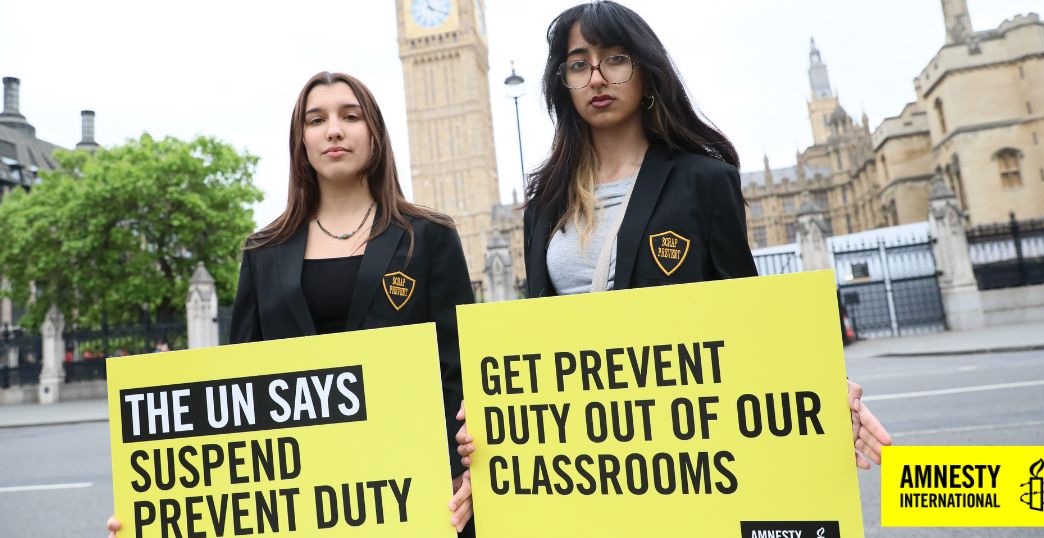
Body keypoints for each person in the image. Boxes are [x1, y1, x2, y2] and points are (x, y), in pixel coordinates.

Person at [455, 0, 890, 474]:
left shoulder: (703, 181)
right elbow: (537, 336)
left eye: (615, 59)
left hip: (681, 451)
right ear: (564, 84)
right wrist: (495, 418)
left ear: (647, 72)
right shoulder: (544, 204)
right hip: (583, 454)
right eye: (579, 64)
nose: (597, 77)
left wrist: (821, 383)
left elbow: (746, 309)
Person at [107, 72, 476, 537]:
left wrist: (468, 471)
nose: (334, 130)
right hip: (301, 501)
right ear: (300, 141)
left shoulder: (427, 236)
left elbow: (460, 369)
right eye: (316, 120)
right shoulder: (262, 251)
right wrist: (156, 513)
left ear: (374, 133)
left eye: (350, 116)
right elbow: (239, 390)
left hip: (418, 491)